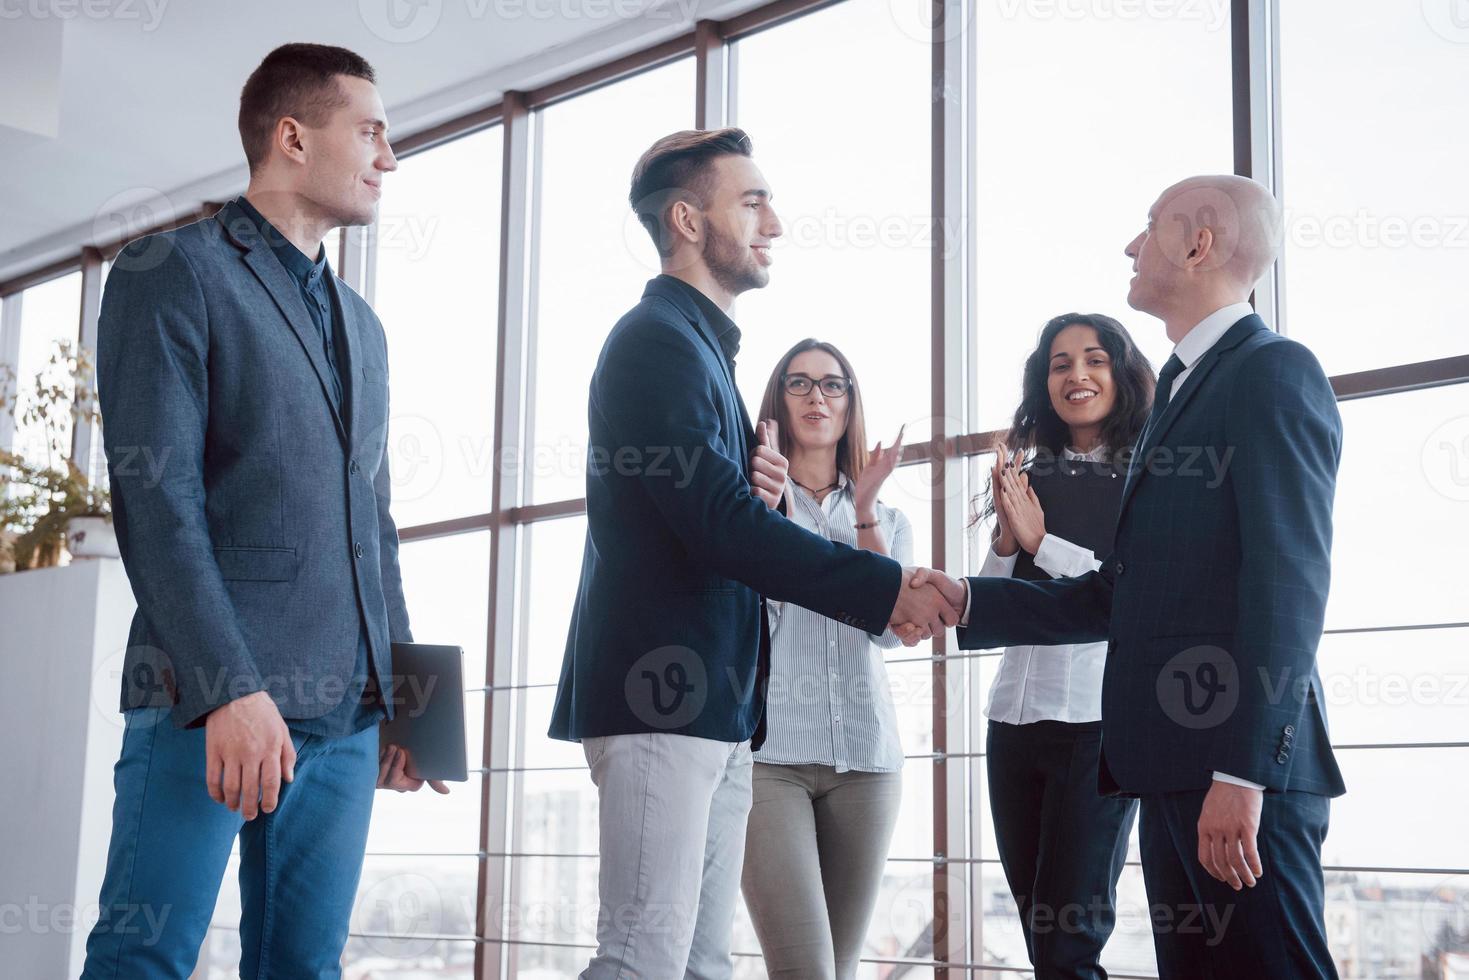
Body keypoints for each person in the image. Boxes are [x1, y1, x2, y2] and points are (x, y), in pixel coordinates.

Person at [547, 128, 961, 980]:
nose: (774, 220)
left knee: (701, 964)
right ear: (687, 220)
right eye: (752, 200)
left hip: (717, 705)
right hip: (664, 692)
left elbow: (713, 516)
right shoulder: (658, 341)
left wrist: (751, 495)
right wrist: (883, 587)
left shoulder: (699, 350)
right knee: (639, 957)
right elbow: (719, 528)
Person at [918, 175, 1346, 978]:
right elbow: (1123, 591)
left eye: (1148, 228)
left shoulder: (1271, 372)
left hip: (1233, 775)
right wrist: (968, 598)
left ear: (1199, 243)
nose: (1129, 244)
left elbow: (1288, 586)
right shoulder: (1182, 394)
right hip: (1168, 769)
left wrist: (1241, 772)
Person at [82, 44, 443, 979]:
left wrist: (412, 704)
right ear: (292, 137)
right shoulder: (169, 270)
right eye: (370, 132)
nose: (389, 158)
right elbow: (155, 501)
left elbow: (375, 523)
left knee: (304, 969)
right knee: (144, 958)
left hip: (347, 714)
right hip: (209, 702)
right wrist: (226, 689)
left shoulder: (364, 324)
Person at [973, 313, 1153, 979]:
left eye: (1094, 359)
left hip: (1094, 730)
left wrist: (1040, 542)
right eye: (1059, 363)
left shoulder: (1150, 476)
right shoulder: (1029, 476)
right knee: (1037, 938)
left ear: (1120, 373)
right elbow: (989, 606)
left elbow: (1127, 597)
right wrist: (1004, 540)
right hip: (1012, 725)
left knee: (1068, 945)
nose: (1076, 374)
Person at [739, 340, 910, 979]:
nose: (817, 396)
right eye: (800, 383)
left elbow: (892, 631)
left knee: (839, 971)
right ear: (778, 401)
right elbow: (747, 614)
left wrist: (864, 512)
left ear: (850, 403)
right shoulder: (747, 504)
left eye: (833, 385)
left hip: (867, 763)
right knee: (804, 971)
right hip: (769, 761)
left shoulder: (887, 515)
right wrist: (765, 518)